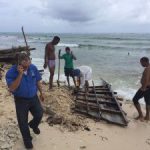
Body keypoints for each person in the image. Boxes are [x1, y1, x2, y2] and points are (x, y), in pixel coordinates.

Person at [5, 53, 44, 149]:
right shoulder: (10, 73)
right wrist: (20, 74)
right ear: (18, 64)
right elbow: (12, 88)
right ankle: (27, 140)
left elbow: (37, 81)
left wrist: (42, 93)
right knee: (22, 122)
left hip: (33, 97)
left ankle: (33, 125)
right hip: (20, 100)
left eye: (29, 63)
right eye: (25, 66)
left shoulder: (33, 67)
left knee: (39, 114)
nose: (27, 67)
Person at [133, 57, 150, 121]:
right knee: (148, 102)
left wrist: (144, 87)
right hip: (149, 88)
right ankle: (147, 117)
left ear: (145, 62)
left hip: (145, 88)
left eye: (141, 62)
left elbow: (146, 79)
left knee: (135, 99)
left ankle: (140, 115)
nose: (141, 64)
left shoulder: (147, 69)